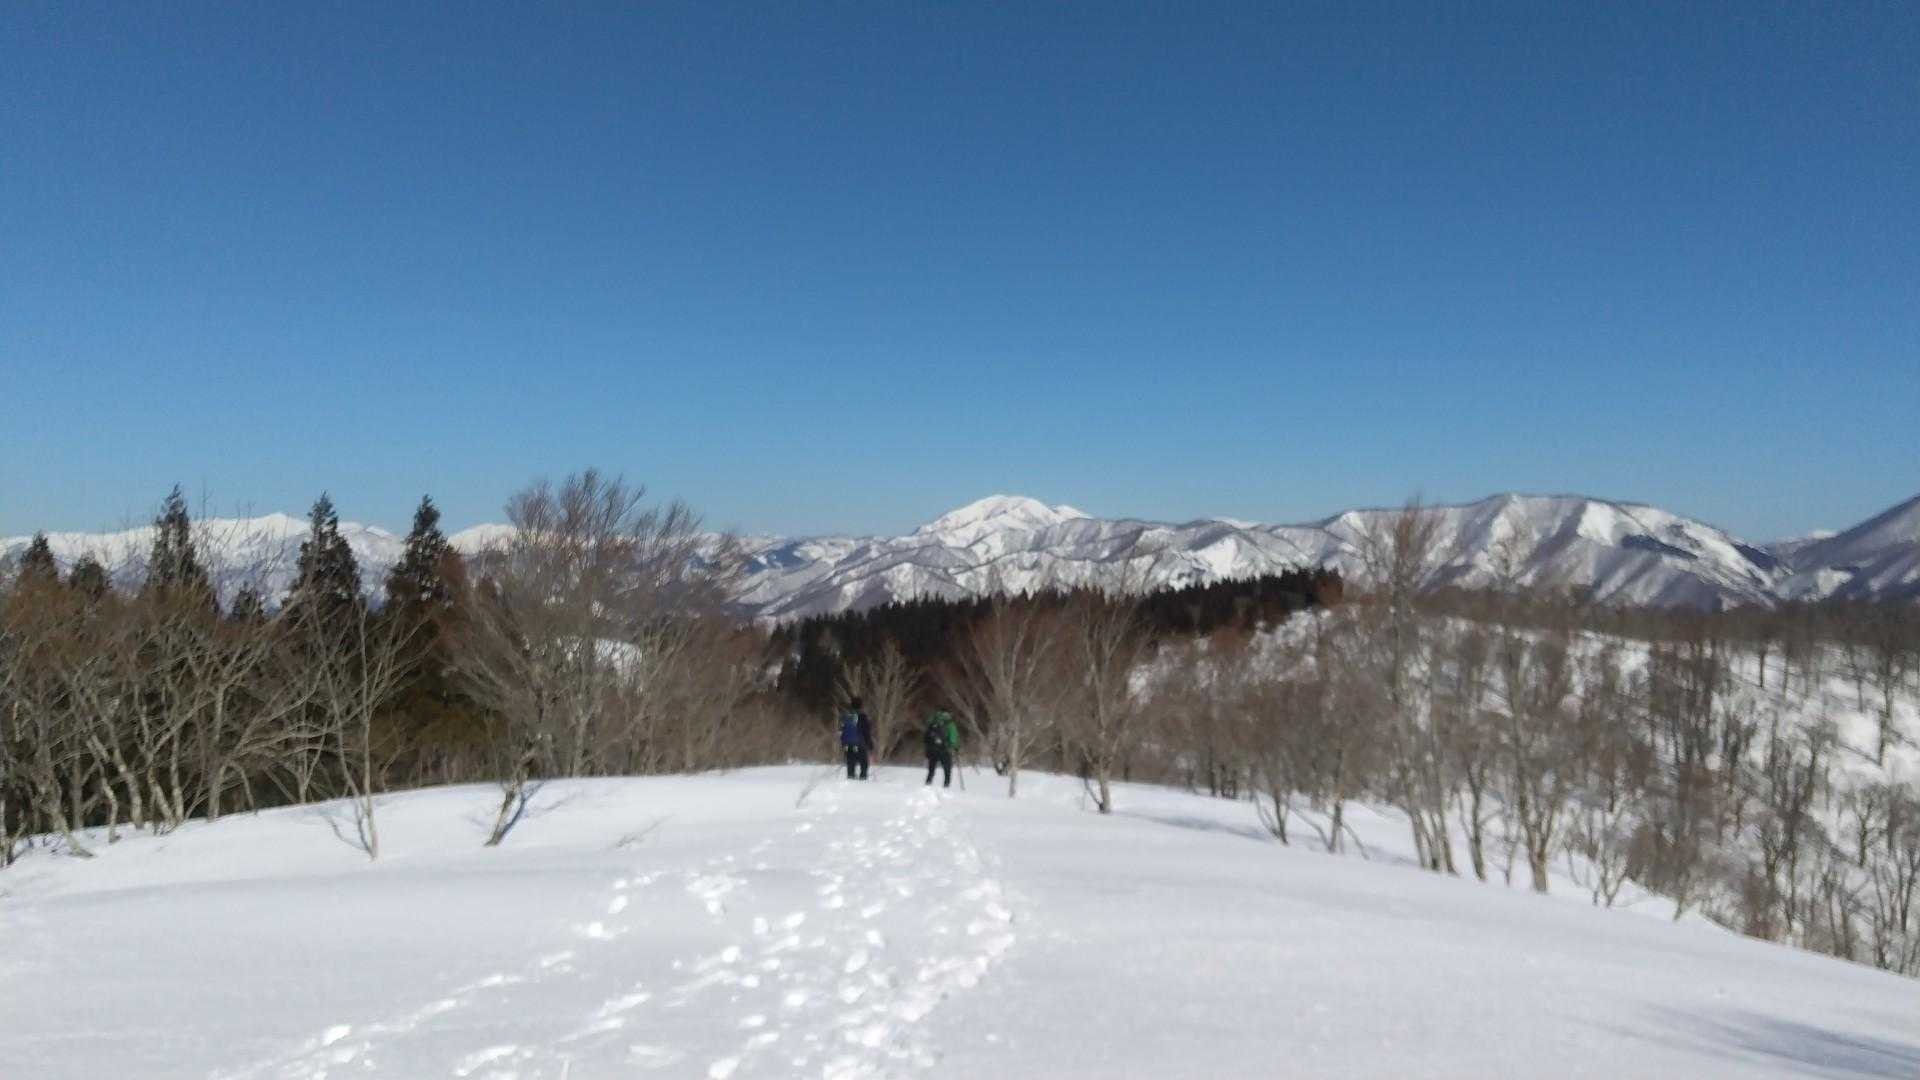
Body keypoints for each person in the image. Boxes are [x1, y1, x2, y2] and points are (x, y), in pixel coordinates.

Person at [840, 697, 874, 780]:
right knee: (863, 762)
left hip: (847, 744)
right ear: (861, 705)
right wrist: (870, 745)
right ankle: (862, 779)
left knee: (850, 761)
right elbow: (866, 732)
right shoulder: (862, 716)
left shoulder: (846, 716)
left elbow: (841, 730)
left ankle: (850, 778)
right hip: (859, 744)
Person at [923, 708, 958, 788]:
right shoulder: (949, 722)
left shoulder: (933, 720)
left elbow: (926, 734)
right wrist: (955, 746)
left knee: (931, 768)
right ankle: (946, 785)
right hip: (944, 749)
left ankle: (928, 784)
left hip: (932, 749)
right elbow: (953, 737)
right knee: (947, 768)